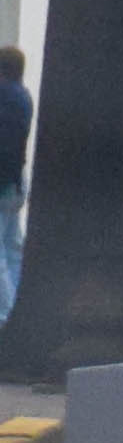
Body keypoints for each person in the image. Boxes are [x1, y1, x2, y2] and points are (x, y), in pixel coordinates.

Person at [0, 47, 25, 324]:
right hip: (16, 181)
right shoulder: (21, 96)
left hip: (4, 182)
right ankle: (16, 303)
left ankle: (5, 312)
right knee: (11, 247)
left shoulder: (6, 98)